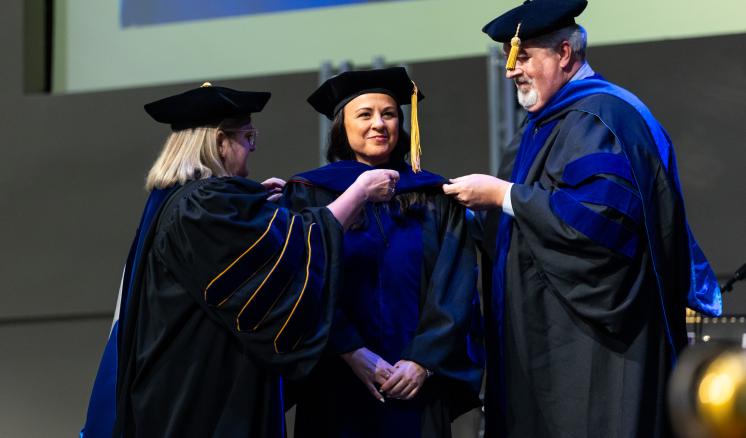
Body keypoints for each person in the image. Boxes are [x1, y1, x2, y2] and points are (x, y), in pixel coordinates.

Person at [442, 1, 722, 437]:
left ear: (565, 54)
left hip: (595, 349)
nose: (511, 71)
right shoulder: (547, 123)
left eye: (524, 57)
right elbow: (520, 230)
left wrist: (503, 195)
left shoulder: (600, 118)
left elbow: (597, 229)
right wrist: (472, 214)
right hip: (549, 341)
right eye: (508, 60)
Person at [80, 83, 399, 438]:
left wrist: (252, 209)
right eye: (248, 136)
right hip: (200, 394)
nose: (251, 147)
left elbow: (238, 253)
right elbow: (293, 248)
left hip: (183, 379)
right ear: (219, 142)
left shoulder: (178, 199)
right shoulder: (202, 204)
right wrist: (358, 193)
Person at [282, 67, 483, 438]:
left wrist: (423, 360)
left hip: (417, 384)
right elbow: (304, 280)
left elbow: (455, 286)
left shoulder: (434, 196)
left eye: (389, 114)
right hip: (336, 379)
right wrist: (350, 349)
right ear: (343, 126)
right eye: (365, 114)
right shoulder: (311, 195)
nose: (379, 124)